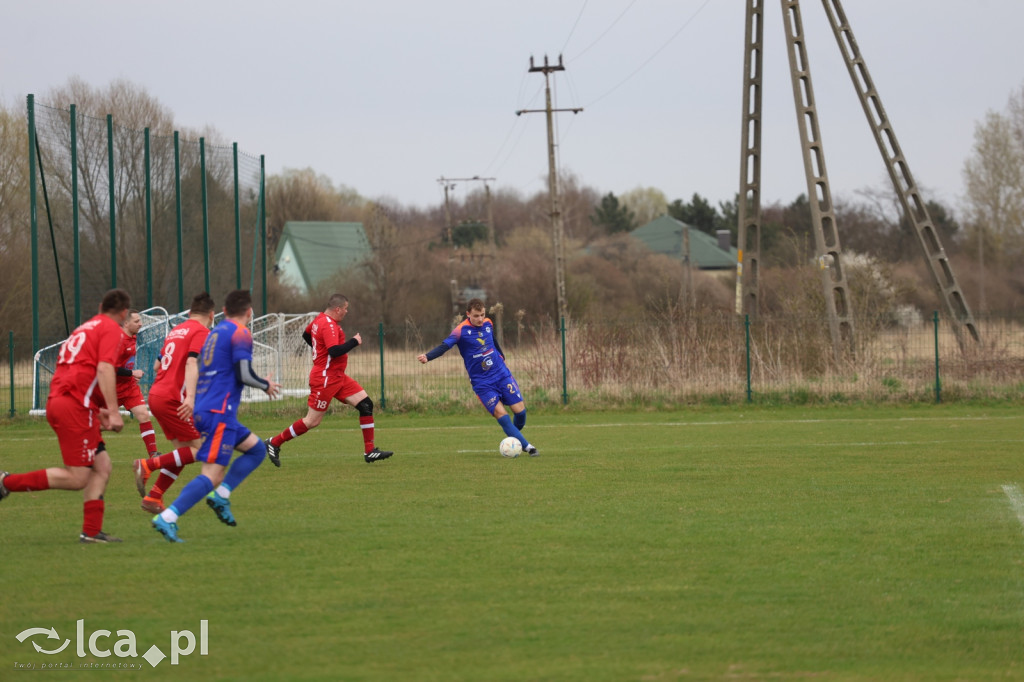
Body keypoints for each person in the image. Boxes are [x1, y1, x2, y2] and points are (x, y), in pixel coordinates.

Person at [0, 289, 131, 542]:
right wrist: (114, 412)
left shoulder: (84, 328)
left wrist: (98, 410)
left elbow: (77, 372)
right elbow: (104, 368)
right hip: (74, 406)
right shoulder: (111, 329)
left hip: (66, 401)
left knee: (101, 465)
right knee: (78, 477)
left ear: (100, 305)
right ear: (124, 313)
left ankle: (92, 533)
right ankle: (7, 482)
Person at [152, 289, 281, 542]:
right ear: (249, 312)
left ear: (222, 312)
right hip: (219, 412)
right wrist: (265, 385)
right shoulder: (240, 333)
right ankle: (168, 517)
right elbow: (243, 373)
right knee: (212, 474)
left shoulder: (214, 334)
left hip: (208, 409)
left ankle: (221, 495)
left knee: (256, 450)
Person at [265, 293, 392, 465]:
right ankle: (274, 442)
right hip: (326, 378)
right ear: (337, 309)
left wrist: (320, 351)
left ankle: (370, 451)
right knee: (312, 421)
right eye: (346, 309)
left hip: (337, 376)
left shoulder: (319, 320)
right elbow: (334, 351)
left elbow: (306, 335)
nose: (347, 312)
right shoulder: (329, 325)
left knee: (366, 404)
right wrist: (354, 341)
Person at [417, 298, 538, 456]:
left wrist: (501, 355)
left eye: (482, 314)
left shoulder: (488, 323)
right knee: (502, 415)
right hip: (482, 384)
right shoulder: (460, 331)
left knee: (520, 413)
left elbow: (492, 340)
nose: (480, 319)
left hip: (502, 375)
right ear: (468, 314)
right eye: (476, 315)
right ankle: (528, 447)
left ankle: (513, 438)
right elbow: (444, 346)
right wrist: (428, 356)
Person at [133, 292, 216, 513]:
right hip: (173, 398)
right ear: (211, 314)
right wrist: (189, 396)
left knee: (182, 453)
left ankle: (154, 497)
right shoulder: (201, 331)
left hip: (157, 394)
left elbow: (156, 367)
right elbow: (191, 362)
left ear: (189, 313)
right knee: (201, 450)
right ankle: (147, 465)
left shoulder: (176, 330)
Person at [115, 309, 160, 460]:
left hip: (129, 387)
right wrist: (131, 373)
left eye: (140, 321)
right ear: (126, 323)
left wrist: (130, 374)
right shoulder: (117, 340)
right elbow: (108, 367)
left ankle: (153, 454)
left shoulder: (133, 337)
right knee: (102, 424)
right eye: (136, 321)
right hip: (111, 390)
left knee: (144, 415)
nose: (140, 324)